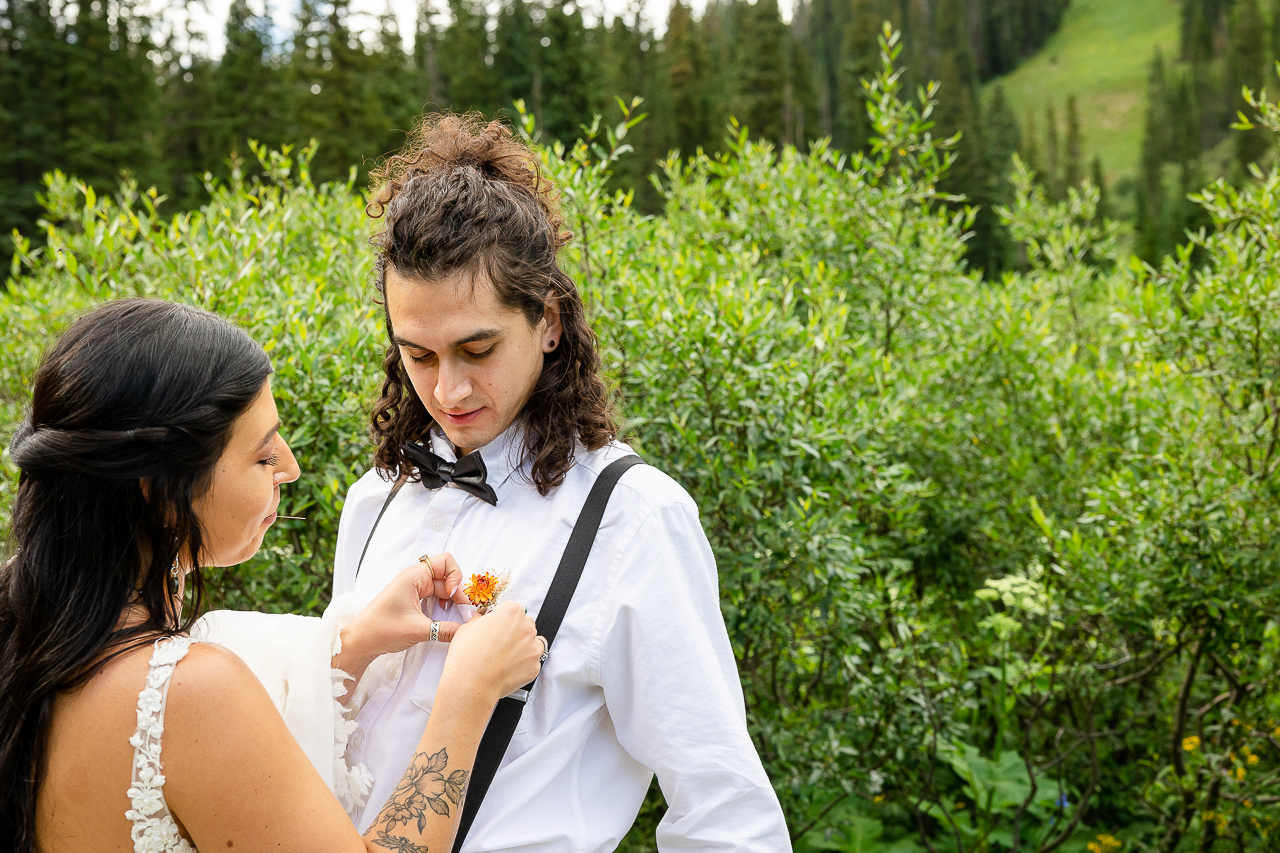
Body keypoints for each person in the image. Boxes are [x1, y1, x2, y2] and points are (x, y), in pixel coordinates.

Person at [333, 114, 791, 851]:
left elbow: (724, 811)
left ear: (547, 320)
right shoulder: (373, 500)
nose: (448, 390)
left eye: (476, 348)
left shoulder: (634, 519)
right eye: (417, 355)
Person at [0, 298, 545, 853]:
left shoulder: (25, 622)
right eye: (263, 458)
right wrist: (467, 694)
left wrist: (352, 648)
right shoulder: (187, 693)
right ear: (160, 490)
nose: (291, 466)